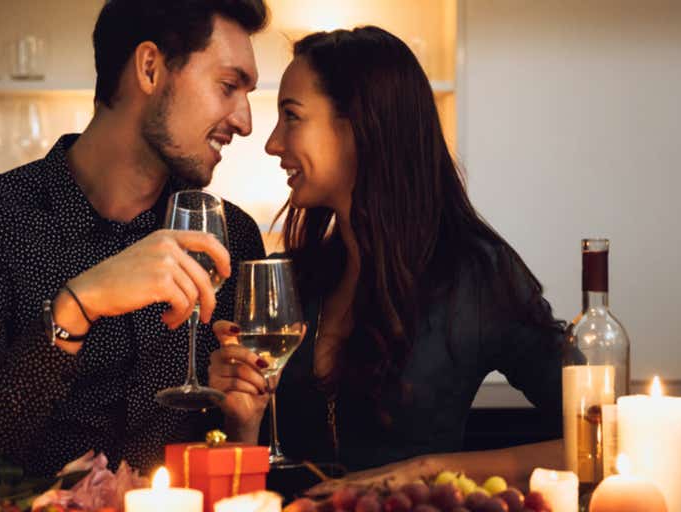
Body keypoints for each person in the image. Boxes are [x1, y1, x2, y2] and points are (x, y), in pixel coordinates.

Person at [0, 0, 268, 492]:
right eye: (228, 87)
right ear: (149, 68)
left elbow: (243, 466)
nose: (246, 121)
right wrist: (76, 308)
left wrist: (244, 421)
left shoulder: (230, 240)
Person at [208, 26, 566, 492]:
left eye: (291, 116)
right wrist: (241, 422)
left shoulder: (478, 275)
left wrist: (424, 470)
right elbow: (251, 481)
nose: (273, 143)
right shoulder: (297, 279)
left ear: (360, 126)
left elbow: (605, 438)